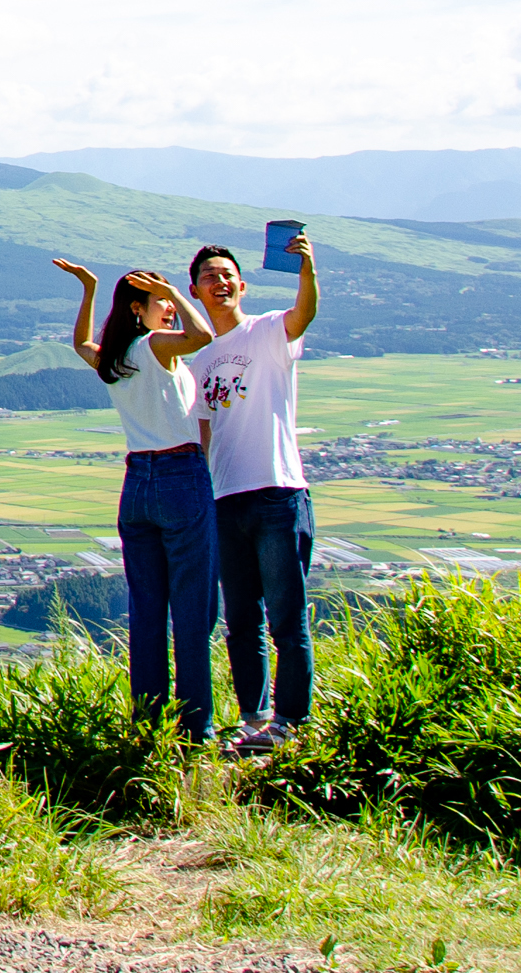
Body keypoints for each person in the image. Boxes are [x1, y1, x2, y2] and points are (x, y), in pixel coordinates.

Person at [54, 257, 217, 743]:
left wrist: (89, 288)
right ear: (137, 309)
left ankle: (147, 724)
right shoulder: (154, 347)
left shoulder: (117, 357)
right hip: (180, 476)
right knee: (192, 610)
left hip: (137, 484)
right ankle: (195, 730)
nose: (169, 310)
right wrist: (182, 297)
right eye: (160, 302)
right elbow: (203, 335)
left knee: (148, 610)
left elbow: (82, 343)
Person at [186, 232, 322, 754]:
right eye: (208, 278)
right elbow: (201, 437)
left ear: (242, 285)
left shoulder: (267, 331)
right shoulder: (198, 361)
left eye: (226, 276)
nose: (219, 283)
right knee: (241, 621)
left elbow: (303, 313)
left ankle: (289, 722)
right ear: (195, 292)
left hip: (278, 491)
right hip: (226, 499)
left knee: (288, 618)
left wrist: (307, 268)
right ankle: (252, 721)